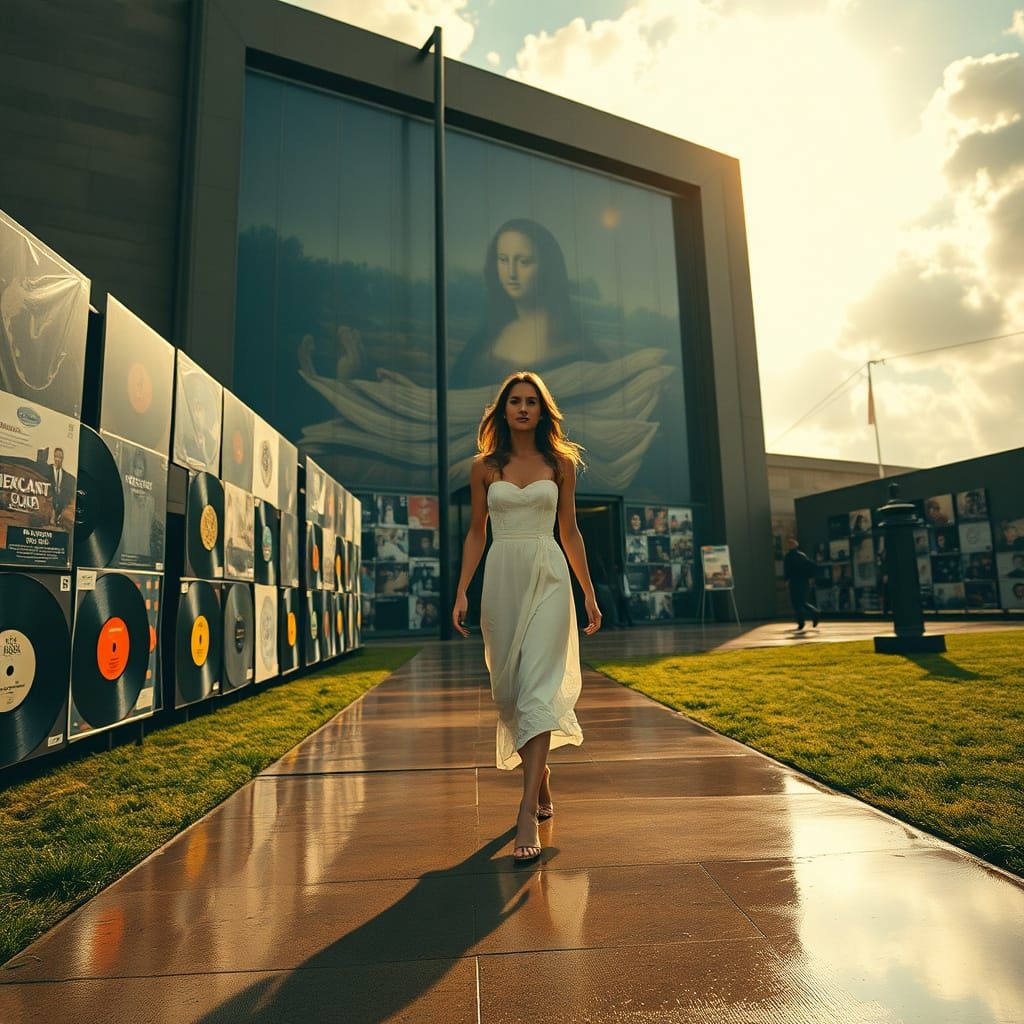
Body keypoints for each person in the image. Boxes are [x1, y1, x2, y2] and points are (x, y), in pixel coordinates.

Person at [452, 371, 600, 864]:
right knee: (511, 691)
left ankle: (523, 812)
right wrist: (462, 591)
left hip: (549, 575)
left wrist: (588, 593)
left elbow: (571, 531)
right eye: (514, 401)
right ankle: (542, 777)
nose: (522, 408)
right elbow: (477, 532)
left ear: (542, 410)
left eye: (530, 402)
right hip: (501, 579)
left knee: (538, 685)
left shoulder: (561, 464)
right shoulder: (484, 467)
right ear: (502, 410)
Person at [783, 537, 818, 630]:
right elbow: (812, 565)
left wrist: (786, 580)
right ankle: (813, 612)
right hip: (804, 581)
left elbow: (787, 570)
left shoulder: (788, 557)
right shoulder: (803, 555)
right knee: (803, 601)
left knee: (796, 603)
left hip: (794, 582)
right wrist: (810, 577)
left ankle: (801, 622)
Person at [47, 446, 76, 526]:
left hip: (60, 503)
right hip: (50, 500)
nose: (57, 459)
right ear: (53, 457)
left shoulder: (66, 476)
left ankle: (58, 517)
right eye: (56, 456)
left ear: (62, 458)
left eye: (60, 457)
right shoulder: (47, 469)